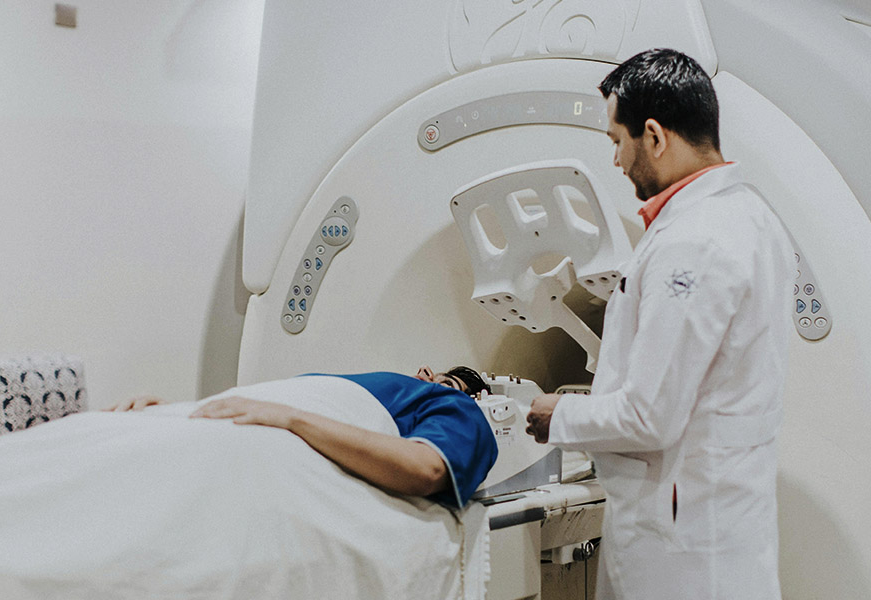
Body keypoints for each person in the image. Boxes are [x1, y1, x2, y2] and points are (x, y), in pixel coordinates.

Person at [525, 49, 794, 600]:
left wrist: (558, 414)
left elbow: (650, 416)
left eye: (616, 140)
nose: (617, 161)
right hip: (713, 525)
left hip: (681, 546)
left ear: (654, 135)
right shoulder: (751, 218)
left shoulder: (694, 241)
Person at [107, 365, 495, 508]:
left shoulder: (459, 407)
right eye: (444, 381)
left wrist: (292, 417)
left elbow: (425, 468)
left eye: (450, 385)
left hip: (262, 436)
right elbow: (259, 409)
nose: (433, 382)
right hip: (197, 421)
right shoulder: (346, 384)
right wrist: (181, 410)